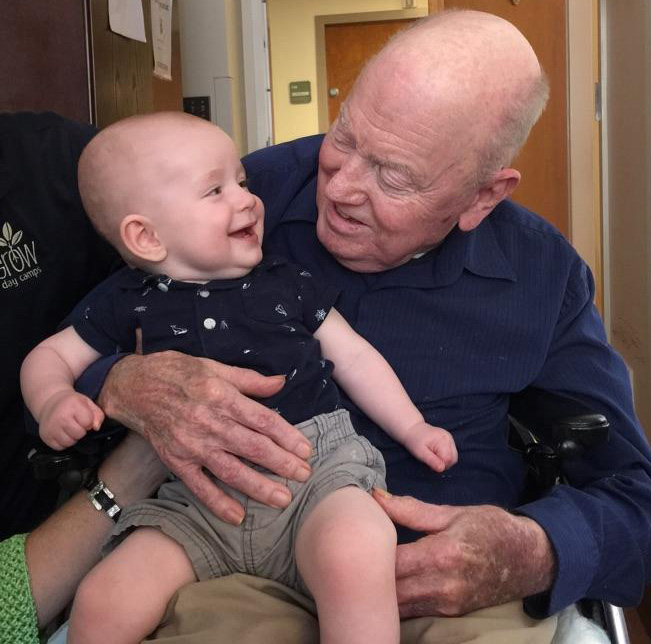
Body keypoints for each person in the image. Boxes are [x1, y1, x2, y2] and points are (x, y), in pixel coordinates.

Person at [75, 10, 650, 644]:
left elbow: (632, 497)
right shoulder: (243, 195)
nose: (341, 188)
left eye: (393, 177)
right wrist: (124, 380)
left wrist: (534, 549)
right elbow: (87, 340)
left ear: (482, 196)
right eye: (344, 138)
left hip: (446, 582)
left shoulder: (543, 273)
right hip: (236, 557)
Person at [20, 111, 458, 644]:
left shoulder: (287, 281)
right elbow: (49, 357)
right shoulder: (124, 301)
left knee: (359, 553)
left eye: (243, 183)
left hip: (312, 474)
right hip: (192, 499)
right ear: (146, 236)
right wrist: (53, 401)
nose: (246, 199)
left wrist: (415, 429)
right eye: (215, 191)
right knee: (102, 600)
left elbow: (356, 357)